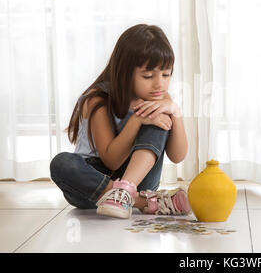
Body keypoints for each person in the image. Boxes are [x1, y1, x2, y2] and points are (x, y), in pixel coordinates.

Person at [49, 24, 191, 219]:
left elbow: (178, 155)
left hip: (139, 181)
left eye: (166, 74)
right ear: (125, 73)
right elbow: (111, 159)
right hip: (92, 184)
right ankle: (142, 202)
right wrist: (137, 120)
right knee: (61, 163)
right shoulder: (97, 99)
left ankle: (125, 193)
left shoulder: (158, 98)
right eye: (148, 76)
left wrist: (175, 112)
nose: (160, 83)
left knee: (157, 119)